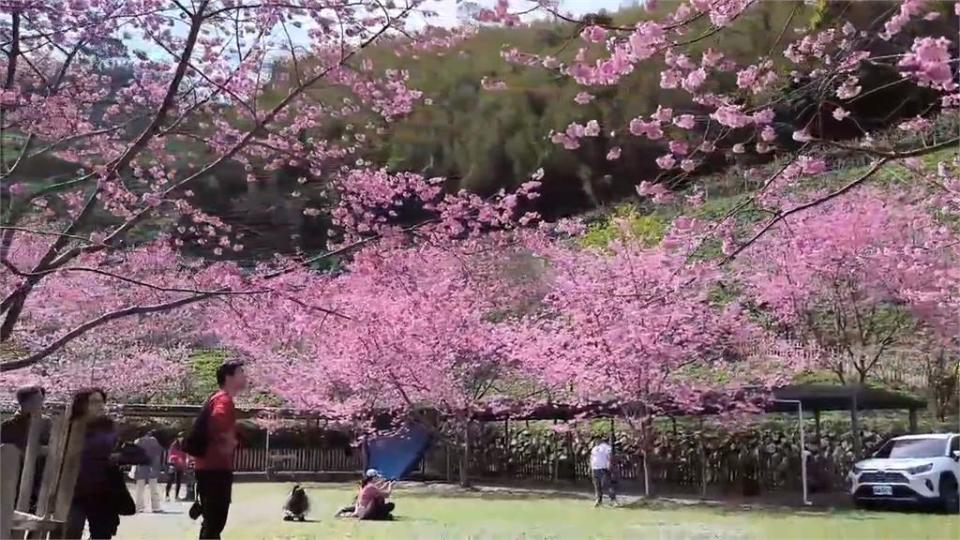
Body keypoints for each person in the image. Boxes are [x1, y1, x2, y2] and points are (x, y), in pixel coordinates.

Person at [192, 360, 247, 540]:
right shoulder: (223, 399)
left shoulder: (216, 398)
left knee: (211, 522)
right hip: (215, 469)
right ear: (228, 378)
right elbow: (217, 420)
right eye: (240, 373)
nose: (245, 377)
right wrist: (228, 441)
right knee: (215, 522)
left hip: (208, 468)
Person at [65, 388, 129, 540]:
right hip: (74, 490)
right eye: (94, 402)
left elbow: (115, 449)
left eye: (101, 402)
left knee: (101, 534)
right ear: (81, 404)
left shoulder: (109, 428)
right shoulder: (68, 428)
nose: (100, 406)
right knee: (71, 531)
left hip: (102, 490)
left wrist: (119, 456)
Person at [0, 385, 51, 513]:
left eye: (41, 400)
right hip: (13, 479)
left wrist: (38, 451)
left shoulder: (46, 423)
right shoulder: (8, 426)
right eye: (36, 401)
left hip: (37, 478)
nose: (41, 404)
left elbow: (52, 448)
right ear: (24, 403)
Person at [132, 429, 164, 513]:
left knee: (140, 488)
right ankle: (155, 507)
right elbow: (159, 452)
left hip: (141, 466)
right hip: (152, 466)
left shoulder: (137, 441)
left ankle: (139, 507)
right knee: (153, 487)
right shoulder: (154, 441)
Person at [590, 440, 617, 507]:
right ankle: (598, 500)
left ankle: (613, 500)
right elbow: (592, 458)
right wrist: (591, 467)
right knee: (597, 486)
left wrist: (610, 465)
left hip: (603, 469)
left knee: (607, 485)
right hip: (595, 469)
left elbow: (610, 457)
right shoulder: (594, 448)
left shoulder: (606, 447)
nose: (596, 441)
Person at [166, 432, 188, 501]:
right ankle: (167, 495)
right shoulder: (174, 445)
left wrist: (185, 464)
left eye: (182, 437)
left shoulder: (184, 445)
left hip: (180, 465)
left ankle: (176, 496)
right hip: (173, 464)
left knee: (179, 481)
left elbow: (185, 455)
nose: (181, 438)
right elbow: (171, 454)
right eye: (180, 437)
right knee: (170, 479)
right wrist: (176, 459)